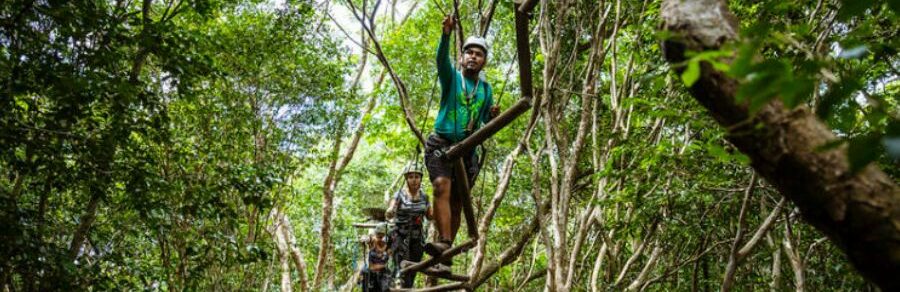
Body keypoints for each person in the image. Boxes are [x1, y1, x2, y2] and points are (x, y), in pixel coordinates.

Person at [423, 15, 500, 273]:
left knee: (457, 202)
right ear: (462, 57)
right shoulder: (452, 77)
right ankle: (444, 242)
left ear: (484, 61)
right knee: (440, 186)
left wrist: (491, 117)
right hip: (441, 142)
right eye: (469, 52)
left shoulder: (485, 89)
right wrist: (446, 35)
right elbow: (440, 61)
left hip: (468, 150)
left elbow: (482, 121)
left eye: (479, 54)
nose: (473, 57)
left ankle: (445, 256)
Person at [386, 163, 433, 287]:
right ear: (406, 179)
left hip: (417, 238)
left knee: (413, 268)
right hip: (400, 236)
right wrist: (390, 211)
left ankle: (408, 288)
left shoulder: (424, 197)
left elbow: (430, 216)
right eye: (411, 177)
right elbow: (391, 209)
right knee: (399, 267)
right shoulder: (399, 195)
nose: (414, 180)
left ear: (421, 179)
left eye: (417, 177)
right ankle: (395, 286)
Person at [362, 224, 392, 292]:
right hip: (372, 276)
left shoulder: (389, 247)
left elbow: (390, 262)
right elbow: (371, 267)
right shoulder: (374, 242)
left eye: (382, 236)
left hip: (384, 276)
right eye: (379, 236)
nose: (380, 239)